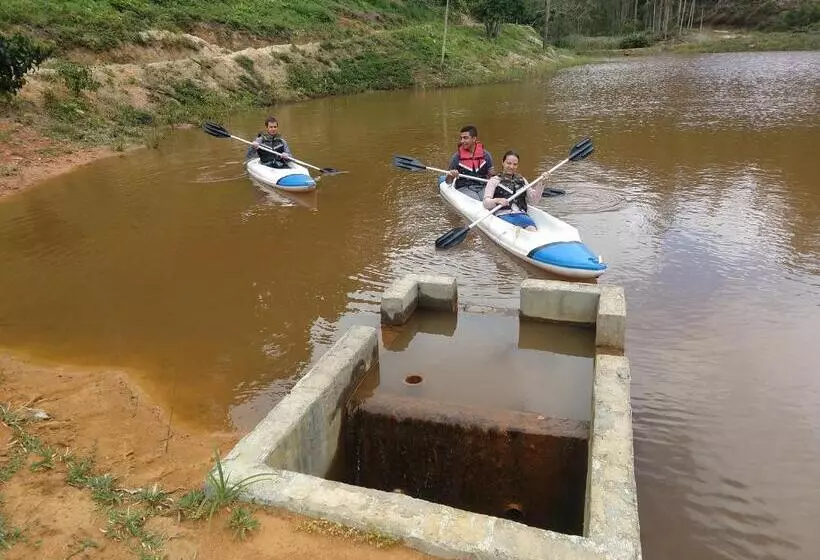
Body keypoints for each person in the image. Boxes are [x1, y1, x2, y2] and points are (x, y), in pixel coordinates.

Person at [482, 150, 548, 232]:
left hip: (521, 214)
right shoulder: (494, 180)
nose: (511, 167)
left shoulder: (522, 180)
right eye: (508, 163)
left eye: (515, 164)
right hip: (502, 215)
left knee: (531, 229)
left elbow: (533, 201)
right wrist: (497, 200)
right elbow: (485, 203)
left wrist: (541, 183)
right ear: (503, 163)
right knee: (517, 230)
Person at [444, 125, 495, 200]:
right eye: (461, 138)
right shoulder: (456, 157)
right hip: (464, 188)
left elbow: (492, 177)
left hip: (482, 187)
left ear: (474, 138)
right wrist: (451, 175)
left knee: (488, 200)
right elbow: (448, 182)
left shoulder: (486, 155)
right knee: (476, 199)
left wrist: (493, 176)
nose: (462, 141)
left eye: (465, 138)